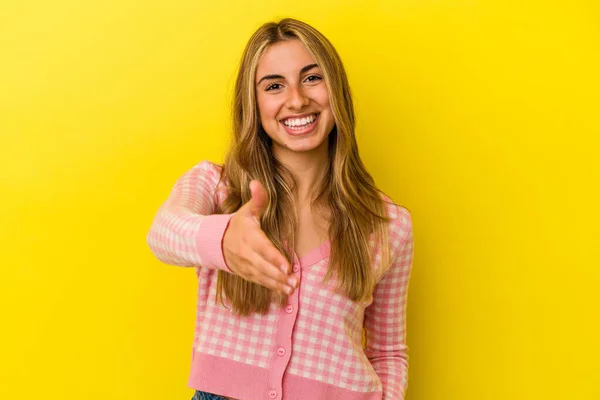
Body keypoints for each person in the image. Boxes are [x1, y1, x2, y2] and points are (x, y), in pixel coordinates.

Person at [146, 17, 414, 400]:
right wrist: (224, 240)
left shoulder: (389, 224)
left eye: (312, 78)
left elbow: (387, 352)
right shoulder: (218, 187)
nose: (297, 100)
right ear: (254, 104)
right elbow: (163, 232)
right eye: (274, 86)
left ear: (336, 90)